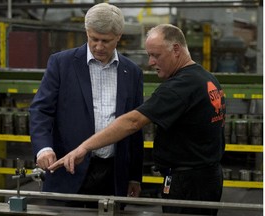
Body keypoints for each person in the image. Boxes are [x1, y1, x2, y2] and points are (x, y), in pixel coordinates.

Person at [49, 24, 226, 215]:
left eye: (156, 55)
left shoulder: (179, 87)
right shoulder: (206, 78)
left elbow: (132, 123)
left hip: (188, 184)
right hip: (207, 176)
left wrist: (84, 147)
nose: (150, 62)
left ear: (176, 49)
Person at [29, 3, 144, 208]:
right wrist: (43, 148)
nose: (99, 46)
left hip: (113, 176)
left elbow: (135, 128)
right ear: (86, 32)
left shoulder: (132, 72)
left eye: (106, 41)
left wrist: (134, 176)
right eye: (94, 39)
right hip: (67, 172)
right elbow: (40, 110)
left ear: (119, 36)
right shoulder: (61, 63)